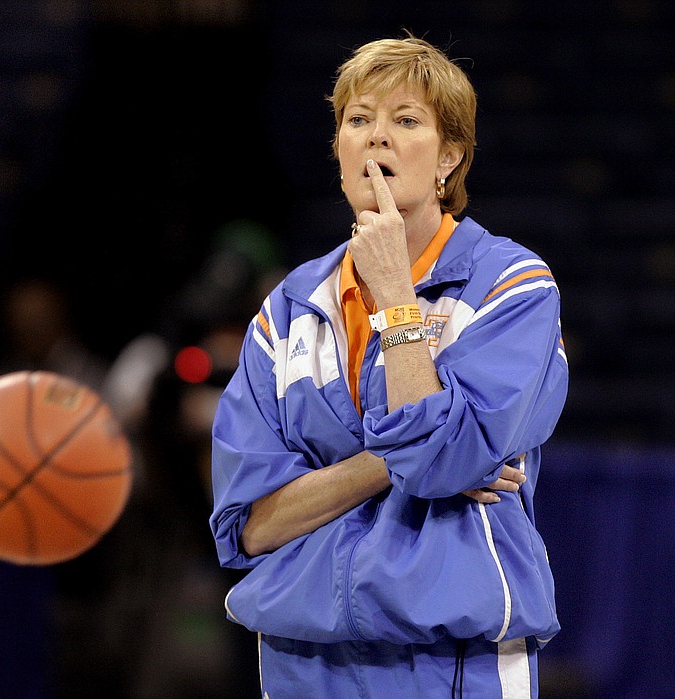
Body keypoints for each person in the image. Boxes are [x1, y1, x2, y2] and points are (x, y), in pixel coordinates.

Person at [209, 33, 568, 698]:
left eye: (405, 121)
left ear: (450, 157)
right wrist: (395, 457)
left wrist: (398, 297)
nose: (377, 138)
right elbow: (252, 525)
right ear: (338, 150)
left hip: (450, 659)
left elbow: (443, 466)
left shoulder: (512, 287)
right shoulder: (284, 313)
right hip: (299, 660)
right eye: (358, 120)